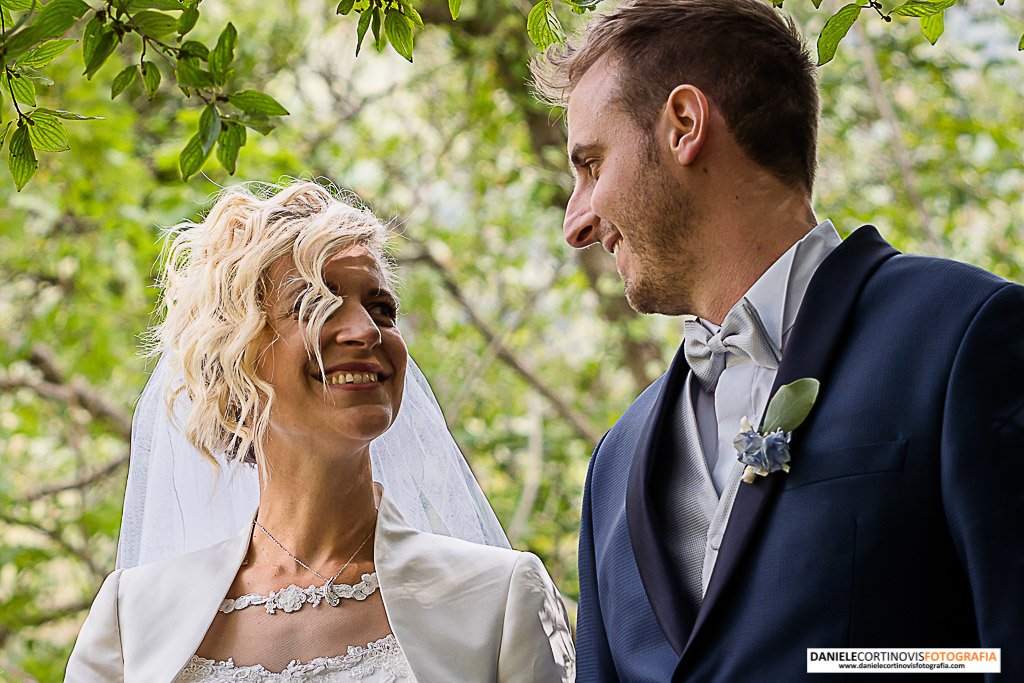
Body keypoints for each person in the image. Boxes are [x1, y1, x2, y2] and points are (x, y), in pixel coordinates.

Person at [531, 0, 1024, 680]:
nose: (577, 222)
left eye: (591, 164)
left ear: (683, 124)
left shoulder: (963, 334)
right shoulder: (614, 464)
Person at [64, 181, 575, 682]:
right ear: (235, 355)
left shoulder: (501, 596)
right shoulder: (130, 617)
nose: (366, 331)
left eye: (382, 309)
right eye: (314, 303)